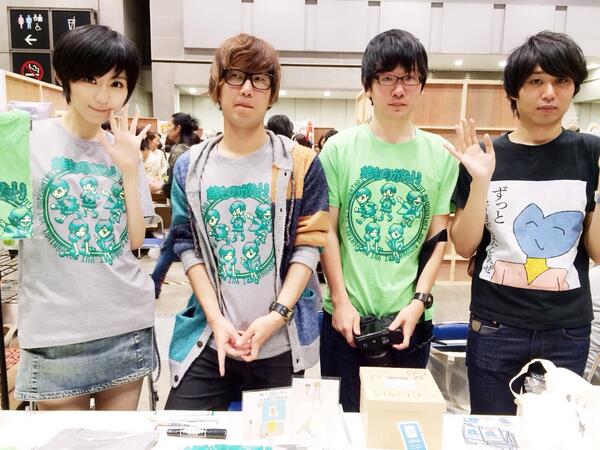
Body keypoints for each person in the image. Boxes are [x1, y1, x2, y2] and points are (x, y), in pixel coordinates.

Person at [165, 33, 329, 410]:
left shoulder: (301, 164)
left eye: (260, 79)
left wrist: (277, 316)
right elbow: (187, 246)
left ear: (272, 93)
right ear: (218, 85)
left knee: (277, 435)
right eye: (236, 76)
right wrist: (216, 319)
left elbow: (309, 246)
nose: (247, 88)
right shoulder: (189, 168)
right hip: (210, 336)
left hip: (280, 339)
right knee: (180, 431)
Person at [448, 31, 600, 415]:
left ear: (574, 87)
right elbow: (464, 246)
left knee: (557, 433)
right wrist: (481, 181)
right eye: (535, 81)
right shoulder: (485, 155)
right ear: (514, 91)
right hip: (496, 324)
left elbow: (597, 252)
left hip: (566, 328)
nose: (549, 92)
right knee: (492, 430)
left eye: (560, 81)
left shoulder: (590, 153)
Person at [13, 24, 156, 410]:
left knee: (119, 437)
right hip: (54, 334)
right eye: (91, 79)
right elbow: (10, 227)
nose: (103, 96)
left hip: (124, 325)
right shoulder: (25, 139)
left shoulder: (124, 148)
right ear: (65, 77)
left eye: (116, 84)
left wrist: (130, 170)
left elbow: (135, 241)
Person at [318, 29, 459, 412]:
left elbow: (437, 237)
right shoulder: (339, 149)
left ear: (421, 84)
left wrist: (418, 303)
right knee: (346, 421)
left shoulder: (440, 154)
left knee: (400, 423)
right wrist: (341, 302)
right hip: (346, 319)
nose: (398, 89)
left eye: (409, 78)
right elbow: (327, 231)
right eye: (387, 78)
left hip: (410, 318)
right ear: (369, 85)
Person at [150, 112, 199, 298]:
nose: (168, 131)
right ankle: (154, 285)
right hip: (192, 210)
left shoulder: (179, 152)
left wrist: (159, 187)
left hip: (182, 211)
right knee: (169, 249)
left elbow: (175, 185)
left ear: (178, 128)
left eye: (170, 126)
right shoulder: (193, 147)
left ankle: (154, 286)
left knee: (171, 250)